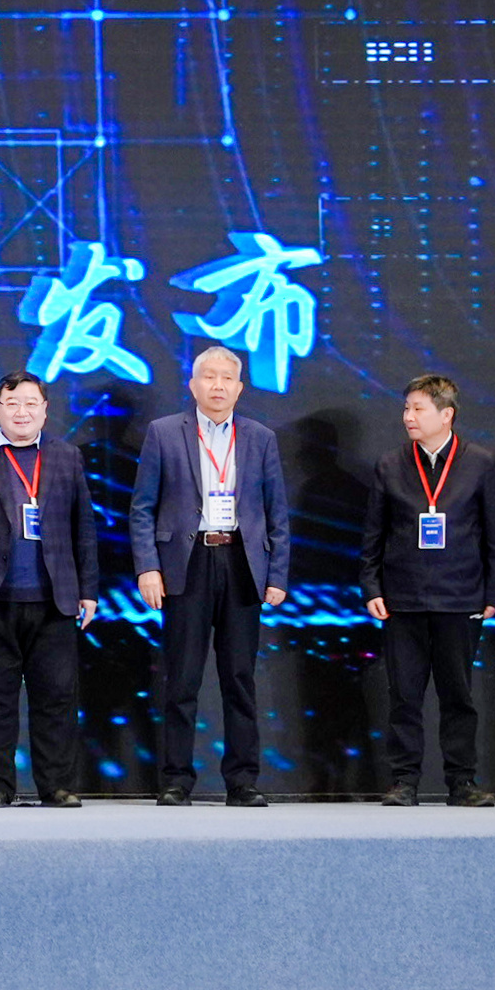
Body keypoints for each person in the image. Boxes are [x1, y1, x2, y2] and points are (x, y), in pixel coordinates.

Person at [129, 346, 293, 808]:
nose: (217, 385)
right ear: (193, 384)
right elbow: (142, 508)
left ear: (239, 388)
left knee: (239, 677)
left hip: (242, 561)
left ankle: (242, 781)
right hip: (187, 562)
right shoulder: (164, 432)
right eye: (208, 376)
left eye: (226, 378)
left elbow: (277, 513)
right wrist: (148, 566)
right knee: (182, 678)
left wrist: (277, 574)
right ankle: (176, 779)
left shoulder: (260, 437)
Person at [0, 370, 98, 807]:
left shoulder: (66, 457)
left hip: (55, 599)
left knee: (56, 698)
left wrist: (88, 590)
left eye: (31, 403)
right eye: (11, 403)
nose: (22, 412)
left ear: (45, 410)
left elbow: (84, 528)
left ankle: (57, 786)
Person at [360, 373, 495, 807]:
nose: (408, 416)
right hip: (402, 597)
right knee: (403, 695)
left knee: (458, 696)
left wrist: (493, 594)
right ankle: (404, 780)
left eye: (418, 409)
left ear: (447, 415)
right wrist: (371, 586)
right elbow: (373, 534)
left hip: (461, 596)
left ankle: (462, 781)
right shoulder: (391, 464)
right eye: (406, 408)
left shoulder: (481, 462)